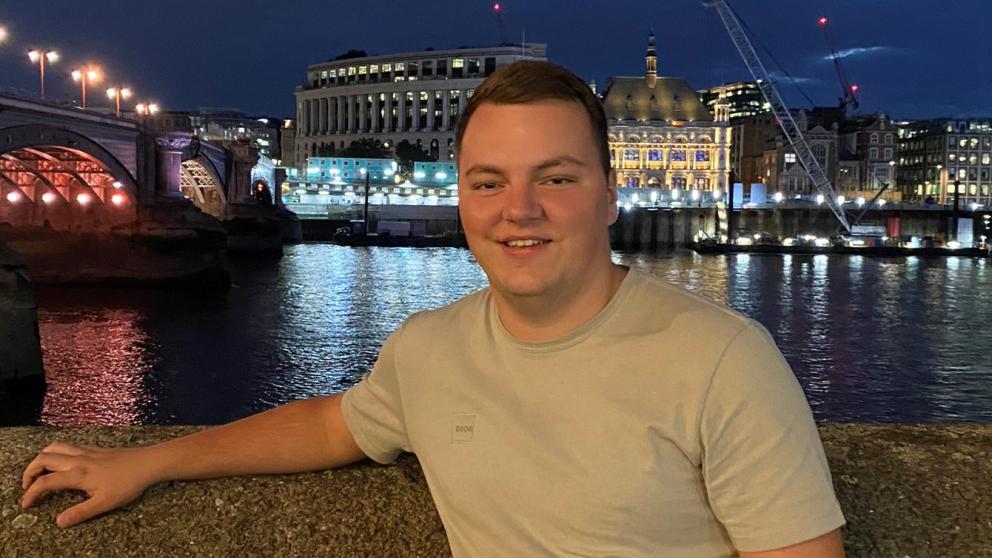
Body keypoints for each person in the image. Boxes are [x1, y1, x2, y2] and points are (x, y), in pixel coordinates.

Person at [21, 61, 845, 557]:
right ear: (464, 200)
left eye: (556, 178)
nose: (518, 209)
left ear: (609, 196)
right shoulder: (429, 351)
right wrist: (147, 461)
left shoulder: (723, 360)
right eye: (490, 183)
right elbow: (331, 424)